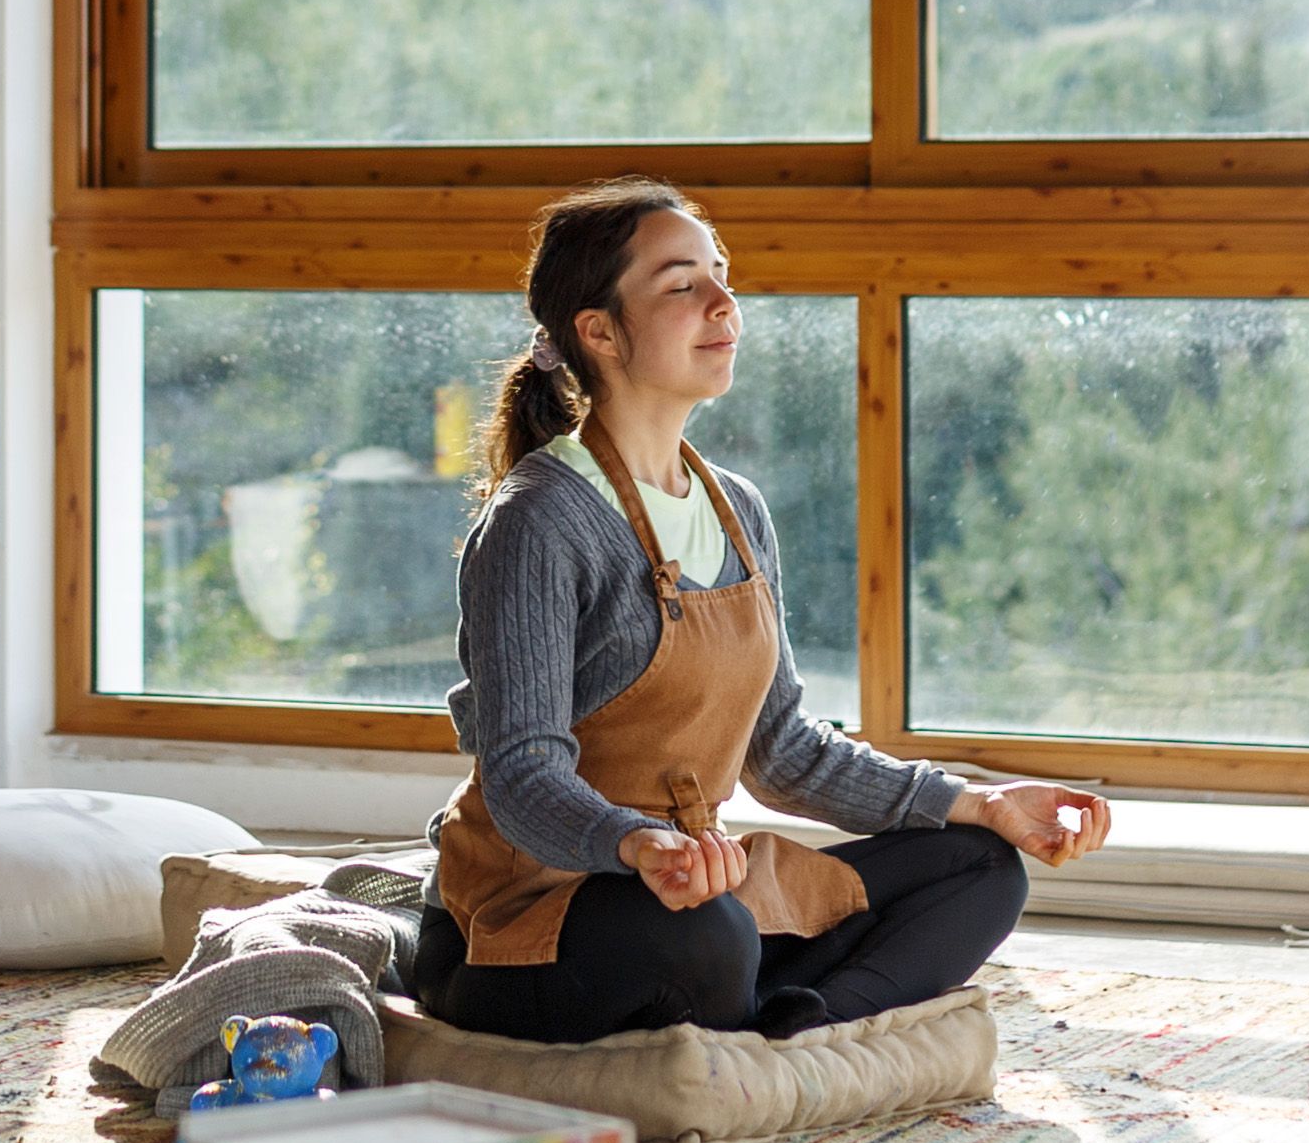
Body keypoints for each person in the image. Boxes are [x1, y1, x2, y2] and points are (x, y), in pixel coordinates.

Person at [421, 179, 1110, 1044]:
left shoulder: (736, 507)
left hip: (695, 889)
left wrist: (975, 801)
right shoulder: (540, 519)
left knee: (979, 866)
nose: (725, 303)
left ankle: (797, 1025)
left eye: (723, 275)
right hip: (522, 924)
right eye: (683, 284)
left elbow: (784, 752)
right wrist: (638, 845)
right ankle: (753, 996)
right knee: (709, 937)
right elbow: (522, 776)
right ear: (599, 330)